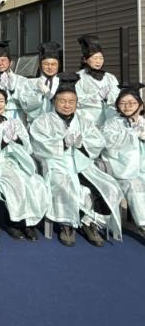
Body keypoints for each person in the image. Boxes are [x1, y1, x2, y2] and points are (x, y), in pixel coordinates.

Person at [30, 72, 123, 247]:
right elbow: (38, 144)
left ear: (77, 103)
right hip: (57, 163)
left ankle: (90, 221)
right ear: (54, 101)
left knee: (109, 187)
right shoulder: (43, 121)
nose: (67, 105)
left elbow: (98, 141)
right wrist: (62, 143)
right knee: (65, 185)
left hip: (82, 163)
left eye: (71, 102)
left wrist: (81, 145)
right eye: (62, 101)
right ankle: (67, 225)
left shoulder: (84, 121)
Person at [0, 80, 49, 242]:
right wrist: (2, 142)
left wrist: (17, 139)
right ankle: (14, 222)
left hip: (17, 162)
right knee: (16, 183)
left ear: (6, 103)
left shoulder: (14, 122)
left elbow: (27, 146)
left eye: (1, 101)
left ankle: (29, 222)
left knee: (35, 182)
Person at [102, 83, 145, 236]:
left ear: (140, 105)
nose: (127, 106)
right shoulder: (112, 123)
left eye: (132, 103)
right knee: (135, 186)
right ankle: (143, 225)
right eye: (123, 103)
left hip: (142, 169)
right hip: (123, 171)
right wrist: (131, 134)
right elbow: (108, 143)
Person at [75, 35, 120, 128]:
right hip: (87, 121)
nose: (98, 61)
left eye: (101, 58)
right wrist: (98, 96)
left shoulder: (110, 77)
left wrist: (110, 97)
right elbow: (76, 100)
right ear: (85, 59)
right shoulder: (78, 77)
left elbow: (117, 98)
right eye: (95, 58)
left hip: (109, 120)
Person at [19, 42, 62, 125]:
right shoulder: (30, 83)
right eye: (46, 64)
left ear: (58, 65)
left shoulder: (63, 82)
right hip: (36, 125)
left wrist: (50, 95)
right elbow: (25, 105)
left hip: (58, 125)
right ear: (40, 65)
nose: (50, 67)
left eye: (53, 64)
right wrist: (39, 95)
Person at [0, 40, 26, 121]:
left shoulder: (21, 80)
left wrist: (11, 86)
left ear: (10, 62)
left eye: (3, 60)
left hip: (17, 116)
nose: (0, 63)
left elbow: (25, 101)